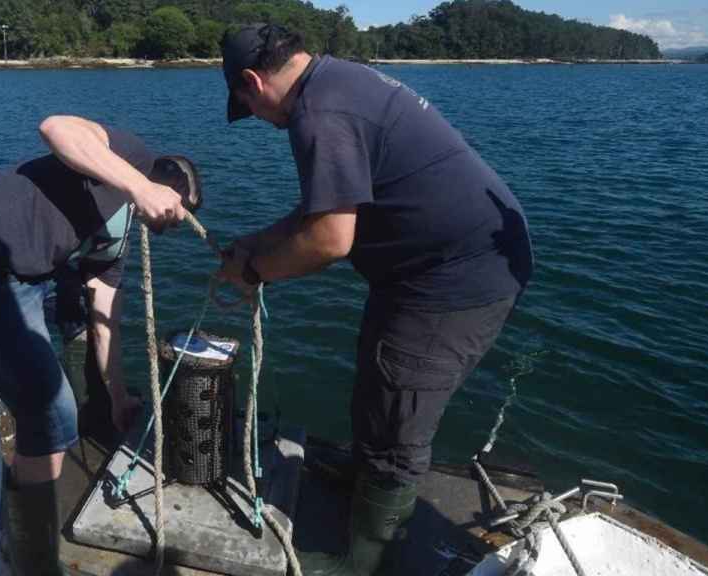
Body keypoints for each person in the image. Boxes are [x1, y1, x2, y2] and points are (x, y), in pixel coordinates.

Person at [216, 24, 533, 575]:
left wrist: (255, 273)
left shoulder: (319, 114)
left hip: (454, 280)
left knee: (399, 412)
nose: (264, 124)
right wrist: (255, 244)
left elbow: (329, 239)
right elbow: (324, 210)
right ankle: (364, 473)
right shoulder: (339, 82)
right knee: (378, 377)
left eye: (250, 108)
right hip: (421, 270)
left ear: (252, 80)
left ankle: (363, 562)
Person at [0, 115, 201, 576]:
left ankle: (21, 521)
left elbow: (106, 322)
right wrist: (140, 185)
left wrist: (117, 394)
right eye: (177, 205)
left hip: (21, 284)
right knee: (52, 415)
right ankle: (35, 563)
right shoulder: (132, 156)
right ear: (164, 184)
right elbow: (55, 128)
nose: (173, 218)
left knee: (46, 411)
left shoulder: (115, 241)